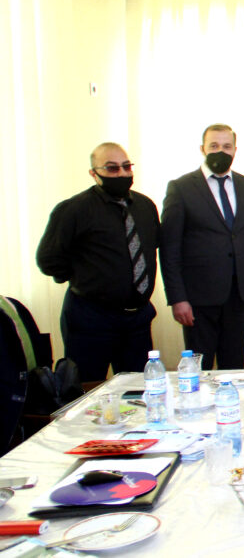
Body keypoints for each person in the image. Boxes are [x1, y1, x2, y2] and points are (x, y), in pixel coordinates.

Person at [37, 143, 159, 382]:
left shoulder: (145, 206)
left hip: (137, 319)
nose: (122, 173)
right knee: (87, 389)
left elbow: (150, 248)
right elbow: (48, 259)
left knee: (139, 389)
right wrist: (86, 276)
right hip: (91, 318)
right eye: (112, 168)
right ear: (94, 173)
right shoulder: (74, 209)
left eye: (126, 167)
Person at [161, 124, 244, 370]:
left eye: (226, 146)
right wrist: (178, 298)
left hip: (241, 294)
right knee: (199, 370)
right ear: (202, 149)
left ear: (235, 150)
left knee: (234, 366)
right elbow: (170, 249)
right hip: (199, 297)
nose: (220, 151)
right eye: (214, 146)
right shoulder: (181, 187)